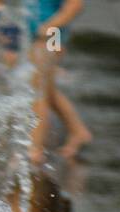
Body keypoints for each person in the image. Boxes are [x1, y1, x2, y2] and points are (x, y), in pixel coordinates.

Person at [26, 0, 92, 161]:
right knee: (46, 88)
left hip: (52, 36)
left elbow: (75, 5)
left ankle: (35, 148)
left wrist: (50, 26)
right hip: (33, 36)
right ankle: (78, 131)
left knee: (38, 89)